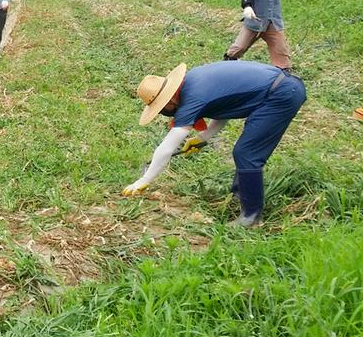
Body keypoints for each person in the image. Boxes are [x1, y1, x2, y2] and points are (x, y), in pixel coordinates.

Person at [124, 60, 306, 227]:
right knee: (245, 151)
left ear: (169, 100)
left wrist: (145, 179)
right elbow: (223, 109)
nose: (165, 112)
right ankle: (241, 194)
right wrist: (202, 138)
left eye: (163, 108)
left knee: (246, 153)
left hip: (280, 95)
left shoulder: (191, 98)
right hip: (282, 87)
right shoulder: (193, 80)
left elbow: (168, 147)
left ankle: (251, 217)